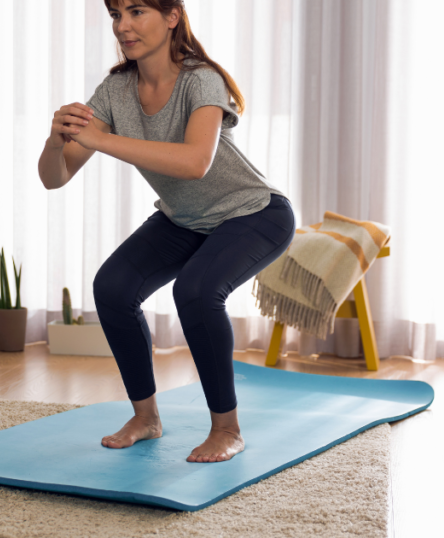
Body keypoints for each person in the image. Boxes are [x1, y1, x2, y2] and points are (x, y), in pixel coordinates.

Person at [37, 0, 295, 463]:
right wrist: (56, 140)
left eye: (137, 11)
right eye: (116, 15)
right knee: (113, 288)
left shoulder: (201, 79)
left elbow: (196, 163)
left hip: (253, 213)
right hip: (185, 220)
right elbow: (54, 177)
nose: (123, 26)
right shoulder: (116, 90)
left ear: (172, 15)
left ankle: (227, 429)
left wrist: (99, 138)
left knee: (196, 292)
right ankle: (146, 417)